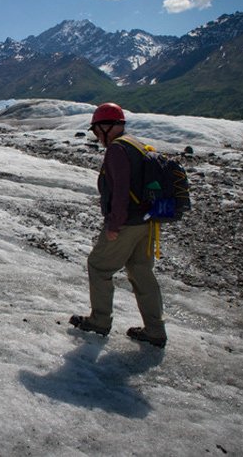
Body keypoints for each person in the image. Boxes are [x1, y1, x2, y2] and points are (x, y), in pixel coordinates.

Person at [69, 102, 167, 348]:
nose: (95, 135)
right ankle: (155, 330)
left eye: (96, 130)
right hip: (147, 221)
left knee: (99, 266)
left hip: (126, 223)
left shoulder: (117, 150)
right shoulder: (136, 144)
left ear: (107, 126)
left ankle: (100, 321)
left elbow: (121, 190)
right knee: (141, 272)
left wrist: (114, 224)